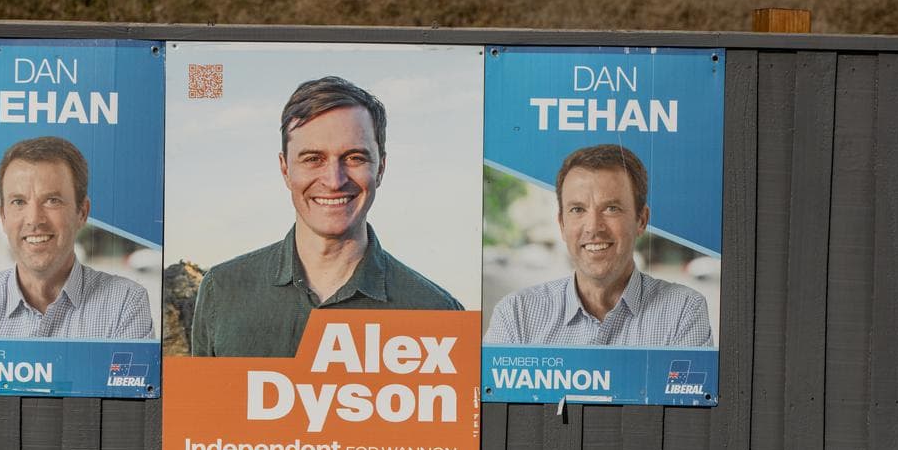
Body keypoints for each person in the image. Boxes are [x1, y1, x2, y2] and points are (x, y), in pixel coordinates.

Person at [190, 76, 462, 358]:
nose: (334, 180)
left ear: (380, 169)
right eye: (312, 159)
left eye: (355, 158)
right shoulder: (222, 290)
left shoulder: (436, 311)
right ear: (285, 169)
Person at [0, 136, 154, 339]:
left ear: (82, 213)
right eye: (18, 202)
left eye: (52, 200)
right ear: (3, 216)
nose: (34, 219)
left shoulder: (125, 303)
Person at [485, 144, 712, 347]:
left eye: (611, 208)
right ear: (562, 224)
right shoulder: (516, 314)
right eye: (577, 209)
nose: (593, 227)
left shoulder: (683, 311)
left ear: (641, 220)